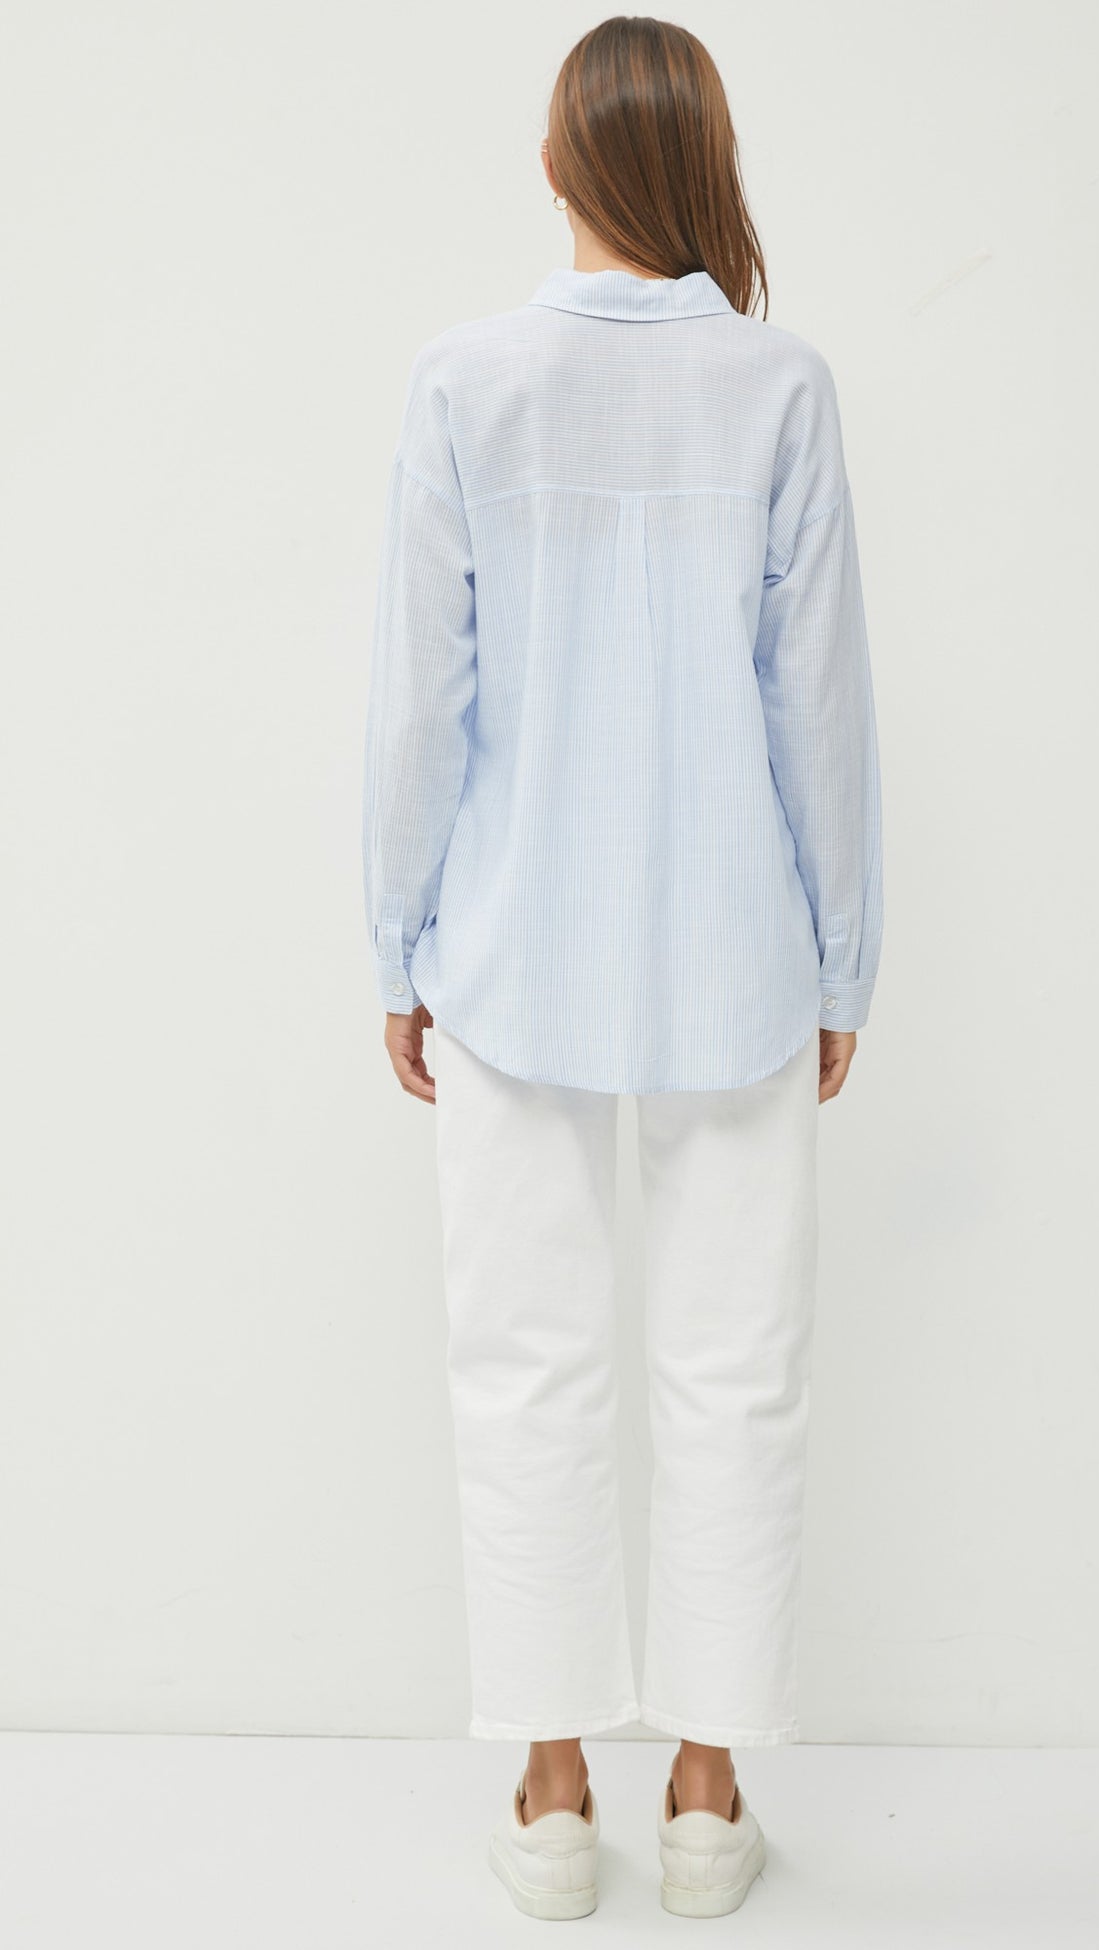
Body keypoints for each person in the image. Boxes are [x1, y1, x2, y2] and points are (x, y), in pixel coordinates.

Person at [360, 13, 884, 1922]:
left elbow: (422, 701)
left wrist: (398, 940)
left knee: (525, 1367)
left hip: (512, 952)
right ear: (703, 165)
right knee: (739, 1371)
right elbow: (819, 699)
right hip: (739, 952)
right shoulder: (783, 388)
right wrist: (842, 960)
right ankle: (709, 1790)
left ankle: (555, 1782)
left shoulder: (464, 383)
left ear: (560, 163)